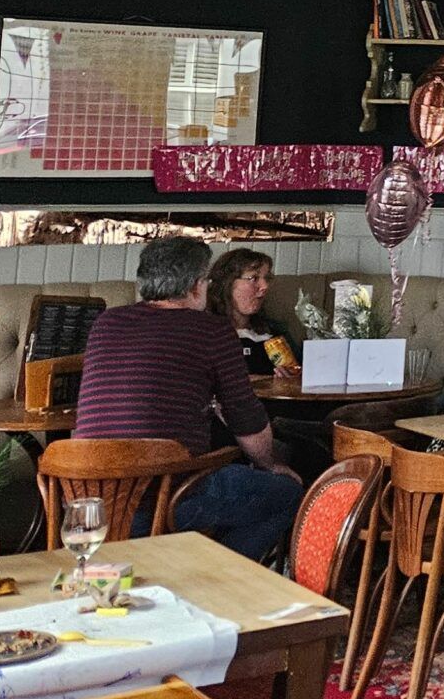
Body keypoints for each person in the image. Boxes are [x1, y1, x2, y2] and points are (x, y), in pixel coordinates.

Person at [72, 236, 302, 561]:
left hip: (89, 500)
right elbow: (246, 420)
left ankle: (190, 572)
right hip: (166, 498)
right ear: (196, 286)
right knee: (286, 493)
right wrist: (270, 464)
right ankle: (215, 578)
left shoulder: (106, 323)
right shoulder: (212, 330)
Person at [204, 247, 298, 380]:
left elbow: (300, 377)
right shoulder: (206, 334)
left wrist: (291, 378)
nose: (265, 286)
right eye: (254, 278)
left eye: (267, 278)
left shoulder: (275, 332)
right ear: (227, 283)